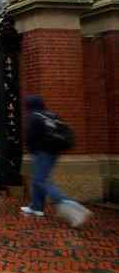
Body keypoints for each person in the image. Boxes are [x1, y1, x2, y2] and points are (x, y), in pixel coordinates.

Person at [22, 95, 90, 226]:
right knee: (39, 179)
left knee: (40, 180)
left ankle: (67, 202)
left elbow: (30, 136)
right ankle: (36, 207)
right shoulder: (52, 115)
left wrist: (31, 149)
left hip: (42, 152)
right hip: (55, 151)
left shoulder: (33, 117)